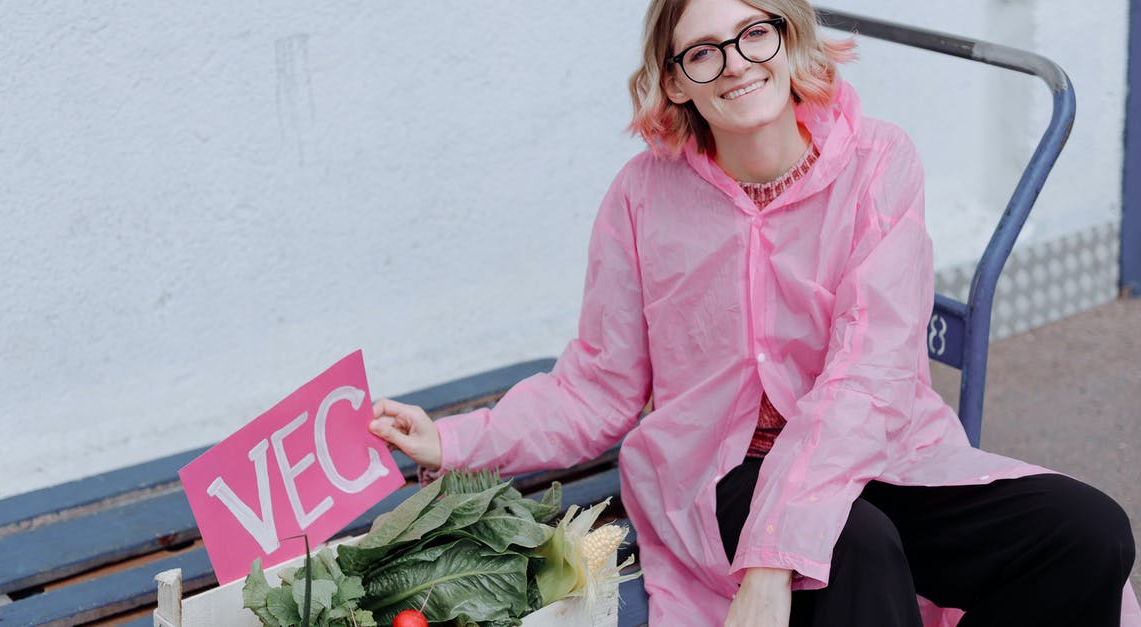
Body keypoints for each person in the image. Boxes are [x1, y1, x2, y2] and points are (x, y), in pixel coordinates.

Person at [369, 0, 1140, 625]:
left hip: (873, 444)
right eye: (703, 51)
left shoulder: (878, 164)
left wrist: (771, 557)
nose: (736, 62)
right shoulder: (641, 198)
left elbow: (867, 376)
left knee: (1089, 534)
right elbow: (599, 386)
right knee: (855, 549)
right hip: (724, 465)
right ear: (675, 82)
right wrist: (455, 438)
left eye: (753, 32)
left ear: (787, 34)